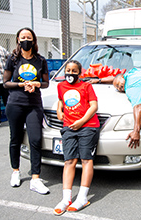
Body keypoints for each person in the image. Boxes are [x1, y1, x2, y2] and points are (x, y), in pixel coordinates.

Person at [3, 27, 50, 194]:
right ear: (18, 40)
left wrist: (36, 84)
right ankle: (15, 171)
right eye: (22, 37)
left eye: (28, 37)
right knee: (15, 138)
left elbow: (46, 83)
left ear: (34, 40)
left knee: (35, 140)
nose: (25, 40)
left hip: (34, 104)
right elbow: (6, 82)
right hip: (15, 103)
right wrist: (21, 84)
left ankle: (35, 178)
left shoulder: (41, 60)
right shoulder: (12, 59)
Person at [53, 60, 100, 215]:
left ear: (80, 73)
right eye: (68, 70)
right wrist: (59, 111)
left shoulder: (86, 86)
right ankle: (66, 199)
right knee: (69, 161)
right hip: (68, 127)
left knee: (86, 160)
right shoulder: (61, 86)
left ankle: (82, 197)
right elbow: (61, 100)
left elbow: (94, 106)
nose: (70, 73)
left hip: (88, 126)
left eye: (74, 71)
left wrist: (81, 121)